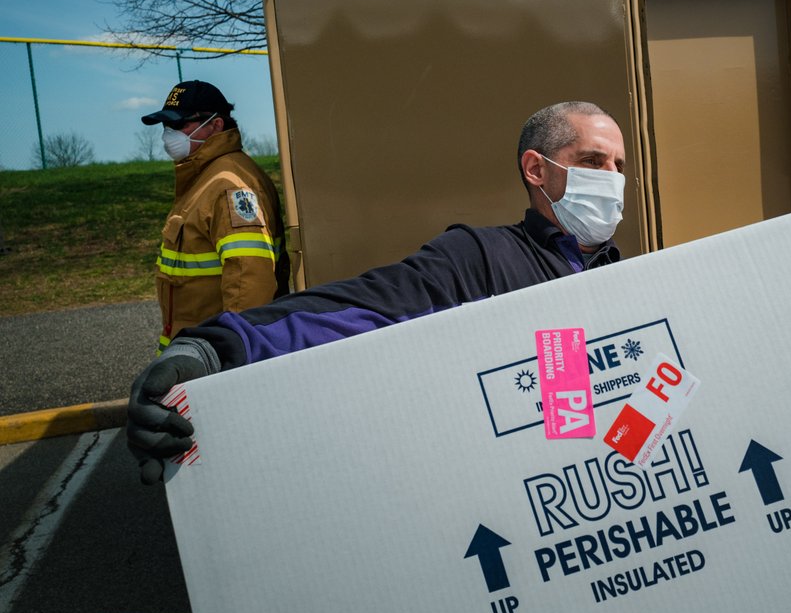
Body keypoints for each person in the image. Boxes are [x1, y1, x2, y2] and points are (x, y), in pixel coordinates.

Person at [127, 100, 627, 482]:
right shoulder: (478, 258)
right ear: (536, 169)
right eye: (592, 161)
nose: (612, 180)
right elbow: (349, 313)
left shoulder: (628, 280)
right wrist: (212, 349)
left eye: (618, 167)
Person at [141, 80, 289, 356]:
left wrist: (232, 352)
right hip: (196, 350)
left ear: (216, 125)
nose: (168, 134)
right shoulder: (205, 178)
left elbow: (249, 279)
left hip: (215, 355)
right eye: (166, 126)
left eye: (179, 124)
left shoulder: (229, 185)